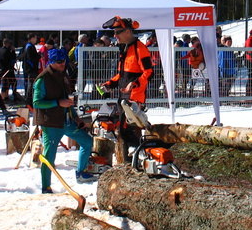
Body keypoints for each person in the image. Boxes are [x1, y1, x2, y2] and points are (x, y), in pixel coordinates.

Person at [33, 47, 94, 191]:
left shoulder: (63, 75)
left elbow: (67, 100)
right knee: (49, 156)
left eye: (64, 61)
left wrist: (76, 118)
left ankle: (81, 172)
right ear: (52, 62)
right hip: (51, 123)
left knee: (87, 141)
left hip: (67, 121)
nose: (63, 64)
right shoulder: (42, 79)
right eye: (59, 62)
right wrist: (57, 103)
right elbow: (36, 103)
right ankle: (46, 186)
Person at [101, 17, 153, 105]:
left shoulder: (140, 48)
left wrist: (134, 83)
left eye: (117, 32)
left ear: (128, 32)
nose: (115, 36)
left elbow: (149, 72)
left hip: (135, 99)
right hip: (123, 96)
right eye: (114, 33)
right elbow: (122, 75)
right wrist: (109, 84)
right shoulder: (125, 48)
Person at [20, 33, 41, 100]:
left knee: (31, 84)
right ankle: (29, 100)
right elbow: (30, 58)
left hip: (30, 68)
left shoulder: (29, 46)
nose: (36, 39)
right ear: (32, 38)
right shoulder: (29, 47)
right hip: (31, 69)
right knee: (31, 85)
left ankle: (30, 98)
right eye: (35, 38)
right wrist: (38, 56)